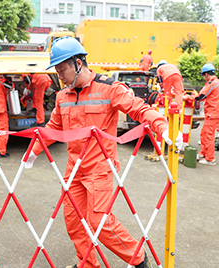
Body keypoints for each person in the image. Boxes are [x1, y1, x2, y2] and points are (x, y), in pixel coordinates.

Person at [24, 37, 183, 268]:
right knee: (74, 221)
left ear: (78, 63)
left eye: (62, 70)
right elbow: (54, 127)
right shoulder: (62, 96)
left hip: (100, 167)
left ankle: (138, 260)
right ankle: (87, 264)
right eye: (56, 72)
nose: (60, 77)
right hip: (73, 169)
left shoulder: (110, 88)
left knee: (100, 222)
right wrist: (33, 150)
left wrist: (163, 126)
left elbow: (139, 109)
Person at [183, 63, 219, 165]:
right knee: (204, 134)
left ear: (206, 74)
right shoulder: (216, 82)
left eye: (204, 76)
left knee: (208, 136)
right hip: (213, 112)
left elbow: (200, 97)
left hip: (212, 113)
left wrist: (187, 97)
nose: (204, 78)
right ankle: (203, 153)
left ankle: (210, 159)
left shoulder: (212, 84)